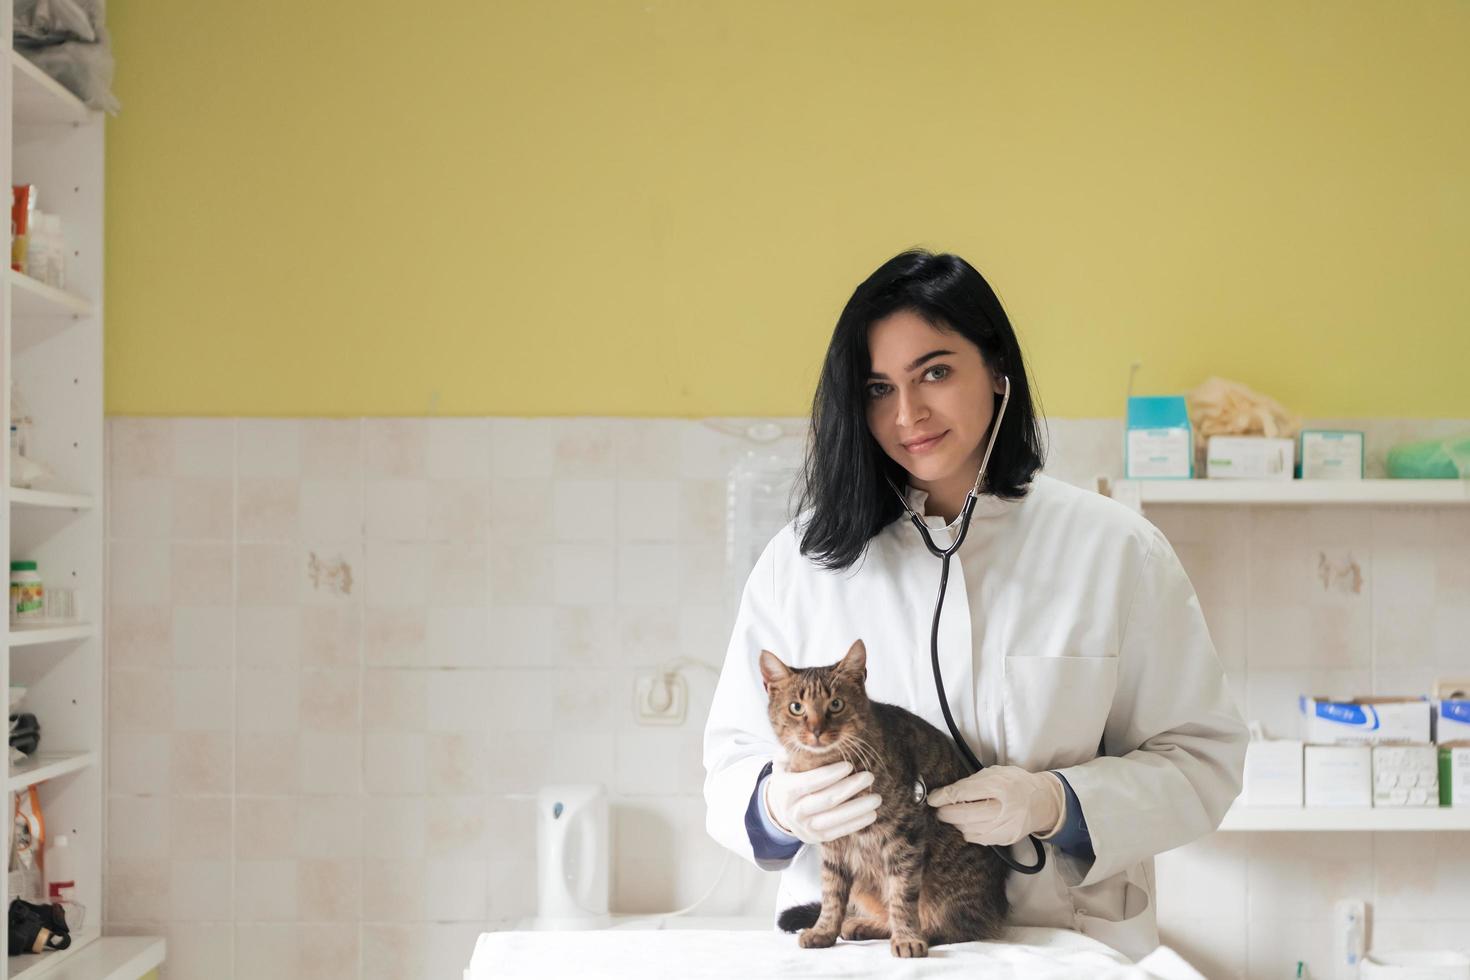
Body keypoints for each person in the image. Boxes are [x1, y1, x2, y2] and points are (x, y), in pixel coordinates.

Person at [702, 249, 1247, 961]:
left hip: (1065, 947)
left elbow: (1201, 759)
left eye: (934, 371)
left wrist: (1060, 805)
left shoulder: (1115, 550)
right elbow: (729, 763)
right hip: (869, 951)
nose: (908, 413)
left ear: (997, 371)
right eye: (876, 387)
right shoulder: (802, 560)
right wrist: (775, 807)